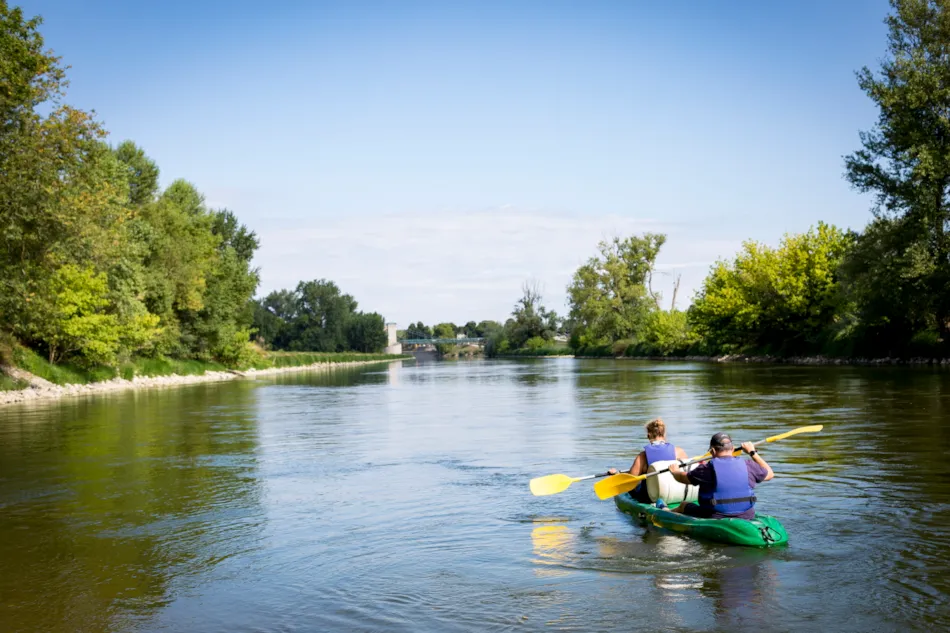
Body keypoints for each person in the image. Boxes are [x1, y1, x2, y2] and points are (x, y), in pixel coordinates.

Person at [668, 432, 773, 520]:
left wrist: (675, 471)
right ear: (732, 449)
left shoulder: (706, 469)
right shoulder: (748, 465)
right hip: (746, 515)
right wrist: (752, 452)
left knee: (684, 505)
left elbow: (683, 478)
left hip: (715, 516)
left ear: (712, 451)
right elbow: (770, 474)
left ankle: (665, 511)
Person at [607, 418, 689, 503]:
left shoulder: (643, 456)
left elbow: (630, 482)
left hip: (650, 498)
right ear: (664, 434)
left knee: (635, 485)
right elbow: (688, 474)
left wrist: (616, 475)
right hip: (674, 494)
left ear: (648, 436)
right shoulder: (679, 452)